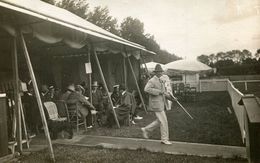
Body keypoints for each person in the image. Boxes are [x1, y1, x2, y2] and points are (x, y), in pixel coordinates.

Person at [141, 64, 176, 145]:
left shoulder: (163, 79)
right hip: (156, 104)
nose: (160, 73)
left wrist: (172, 98)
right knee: (164, 121)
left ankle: (146, 129)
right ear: (155, 73)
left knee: (159, 121)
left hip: (162, 103)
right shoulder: (152, 80)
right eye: (158, 72)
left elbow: (164, 93)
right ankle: (164, 139)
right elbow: (146, 89)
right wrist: (158, 91)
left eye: (161, 72)